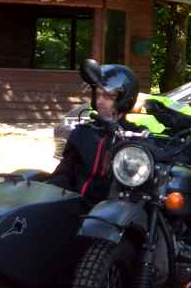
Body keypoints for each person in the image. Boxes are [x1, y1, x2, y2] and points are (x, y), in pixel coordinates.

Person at [49, 64, 140, 204]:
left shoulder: (136, 137)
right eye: (97, 94)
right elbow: (64, 172)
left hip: (112, 215)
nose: (100, 101)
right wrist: (52, 198)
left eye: (109, 96)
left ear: (125, 99)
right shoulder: (82, 132)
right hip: (75, 207)